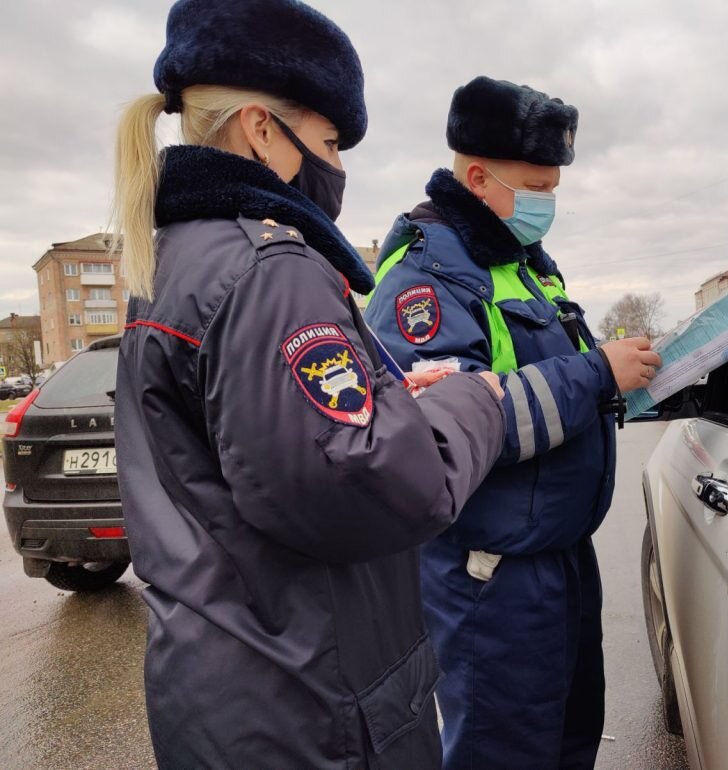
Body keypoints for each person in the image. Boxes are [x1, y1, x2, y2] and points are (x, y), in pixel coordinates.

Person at [112, 2, 507, 767]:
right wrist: (470, 403)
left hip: (230, 695)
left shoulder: (173, 259)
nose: (339, 166)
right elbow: (358, 482)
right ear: (262, 128)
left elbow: (264, 449)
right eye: (328, 141)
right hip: (312, 707)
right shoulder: (270, 270)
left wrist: (393, 401)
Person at [364, 76, 662, 769]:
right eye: (536, 188)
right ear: (476, 176)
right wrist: (597, 374)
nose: (547, 204)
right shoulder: (427, 281)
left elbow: (551, 389)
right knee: (503, 754)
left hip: (557, 559)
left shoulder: (524, 266)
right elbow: (446, 429)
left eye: (554, 188)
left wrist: (636, 377)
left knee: (566, 741)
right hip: (489, 579)